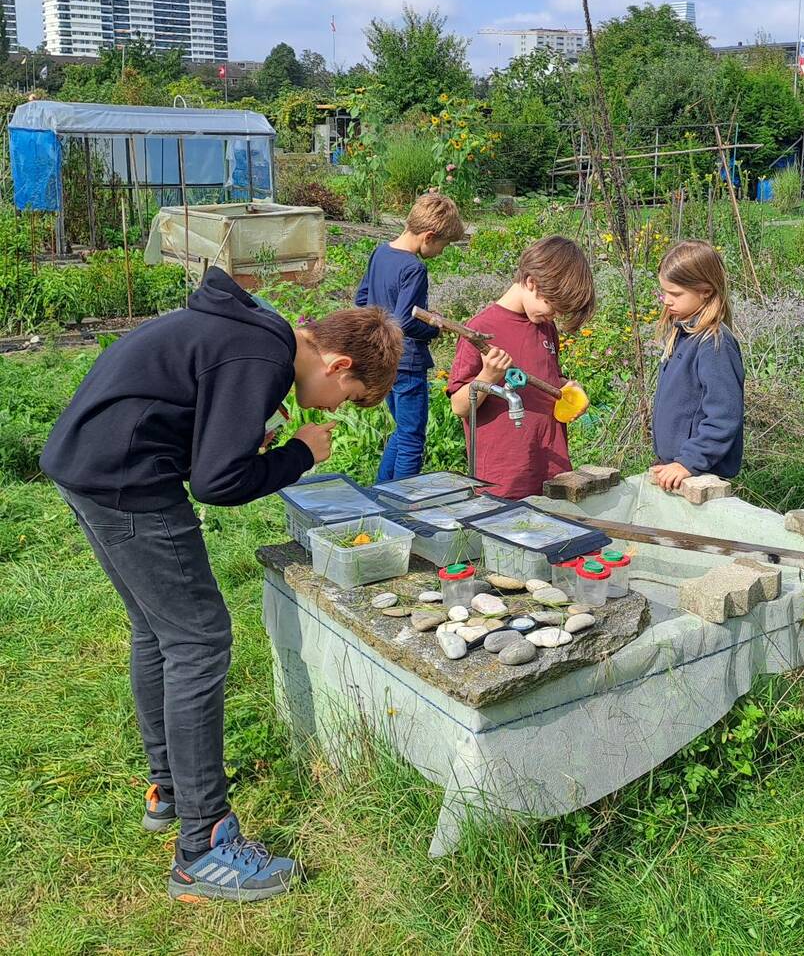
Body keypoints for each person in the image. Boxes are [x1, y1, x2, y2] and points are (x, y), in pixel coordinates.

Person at [41, 267, 403, 903]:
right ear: (338, 362)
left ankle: (172, 791)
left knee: (158, 633)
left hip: (90, 466)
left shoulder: (250, 333)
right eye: (346, 397)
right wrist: (298, 454)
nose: (333, 409)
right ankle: (203, 848)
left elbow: (186, 420)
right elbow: (216, 485)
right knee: (200, 642)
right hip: (128, 482)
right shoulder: (262, 354)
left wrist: (239, 443)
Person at [447, 235, 595, 499]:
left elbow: (544, 375)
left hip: (549, 466)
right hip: (504, 475)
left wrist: (564, 388)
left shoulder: (545, 327)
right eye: (552, 306)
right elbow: (459, 406)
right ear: (531, 282)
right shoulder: (481, 330)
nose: (554, 316)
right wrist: (488, 376)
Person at [356, 192, 464, 482]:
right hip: (408, 362)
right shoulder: (414, 268)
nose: (442, 252)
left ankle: (382, 492)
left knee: (403, 431)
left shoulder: (380, 253)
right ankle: (403, 501)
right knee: (413, 439)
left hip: (383, 360)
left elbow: (362, 300)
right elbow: (403, 321)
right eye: (443, 245)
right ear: (429, 236)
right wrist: (434, 328)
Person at [649, 239, 744, 492]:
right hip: (679, 468)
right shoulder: (682, 333)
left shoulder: (715, 344)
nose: (666, 301)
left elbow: (724, 416)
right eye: (664, 292)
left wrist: (689, 462)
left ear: (706, 290)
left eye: (676, 294)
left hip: (701, 473)